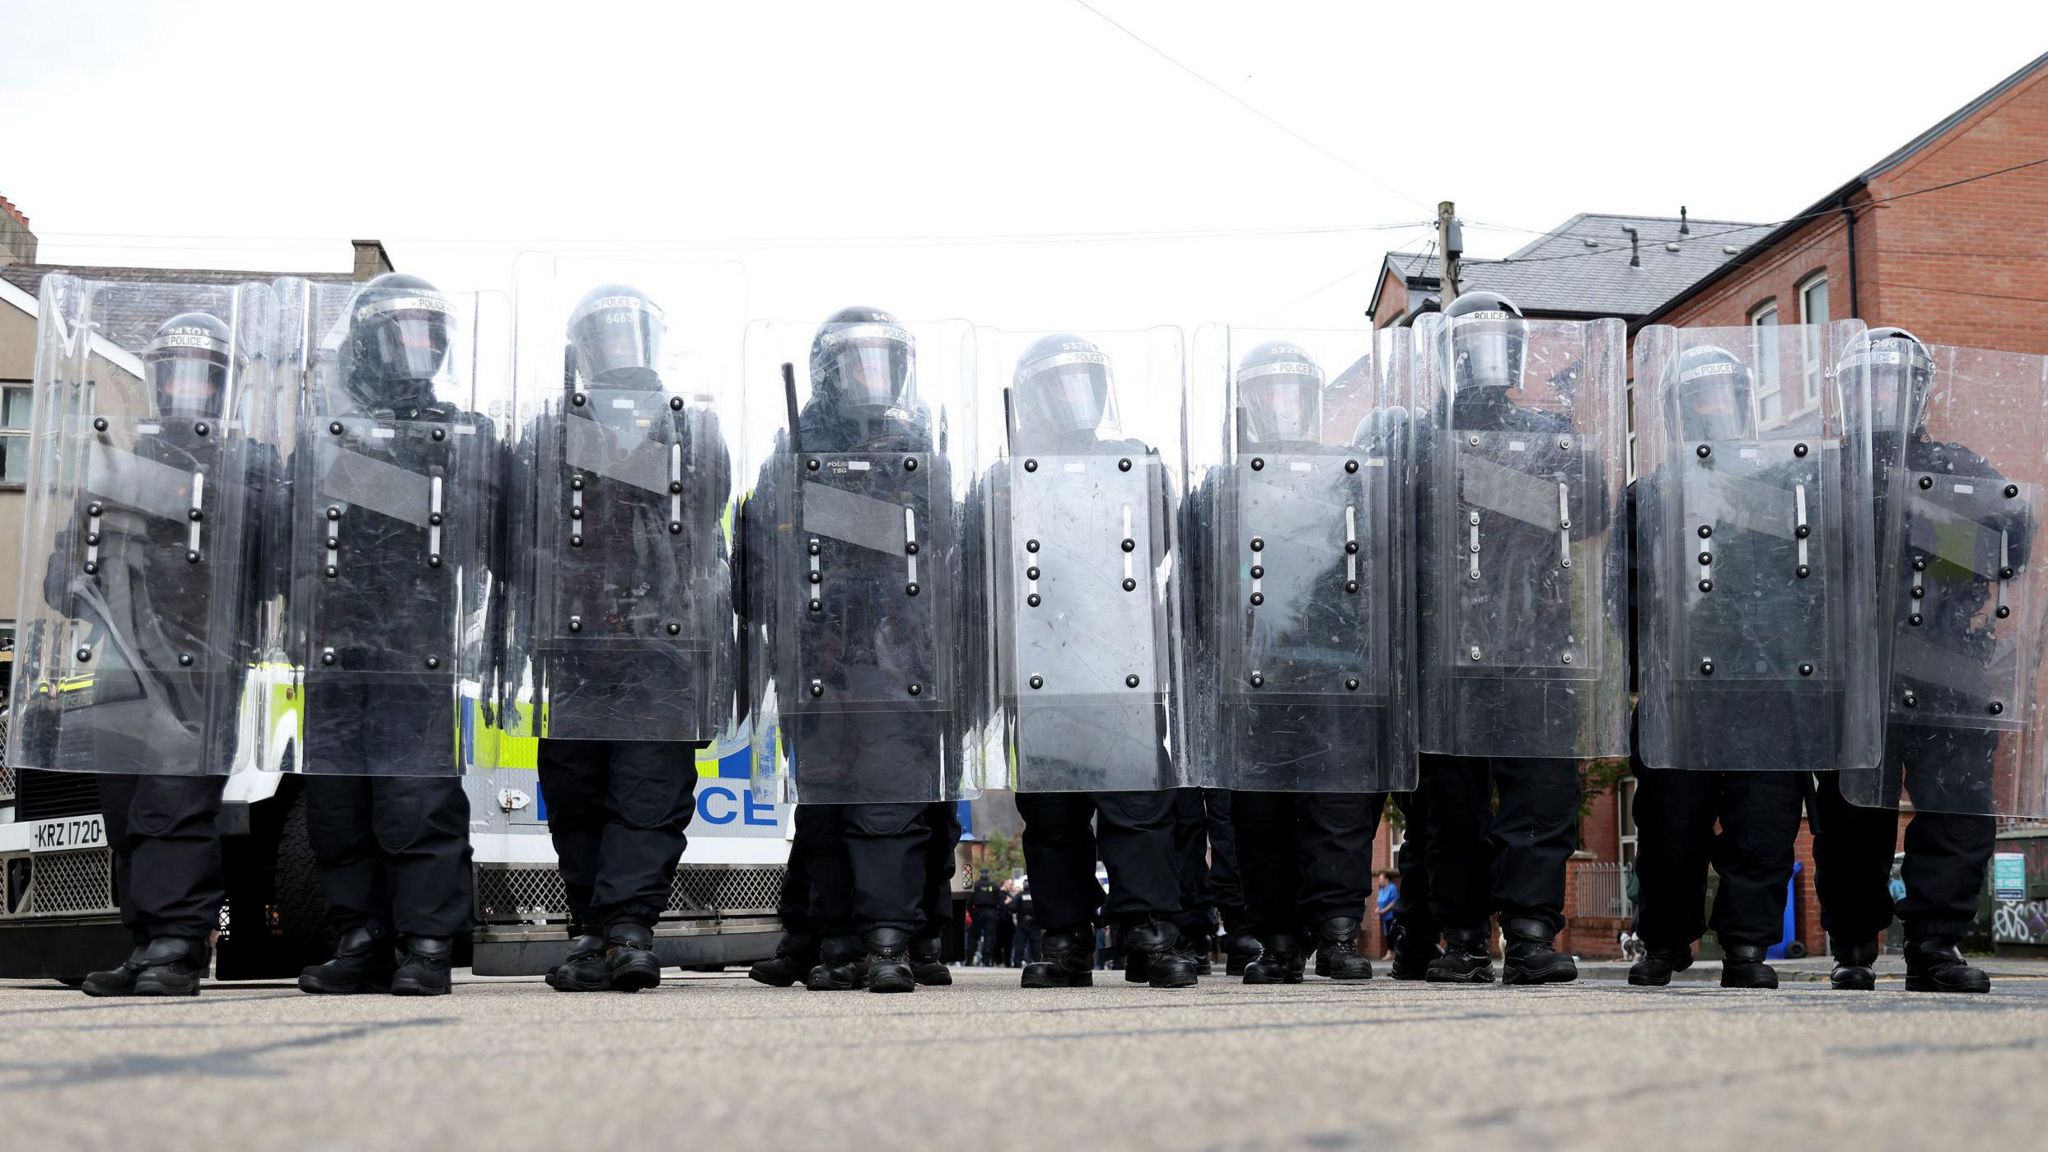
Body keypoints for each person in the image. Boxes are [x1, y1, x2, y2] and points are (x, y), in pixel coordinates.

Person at [20, 302, 276, 997]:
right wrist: (90, 573)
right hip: (119, 670)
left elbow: (272, 568)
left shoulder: (248, 471)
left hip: (201, 668)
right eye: (178, 374)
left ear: (220, 387)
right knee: (128, 811)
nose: (188, 388)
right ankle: (146, 940)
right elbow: (59, 577)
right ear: (159, 381)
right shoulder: (121, 467)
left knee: (175, 804)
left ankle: (178, 943)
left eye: (203, 376)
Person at [511, 284, 732, 993]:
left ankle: (628, 931)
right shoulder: (549, 430)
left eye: (630, 333)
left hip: (662, 650)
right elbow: (515, 536)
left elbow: (704, 521)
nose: (621, 349)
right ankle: (590, 930)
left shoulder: (690, 431)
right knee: (575, 792)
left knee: (647, 794)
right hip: (572, 648)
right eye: (605, 336)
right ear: (582, 349)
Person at [737, 307, 963, 993]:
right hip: (820, 662)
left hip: (898, 663)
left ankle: (893, 938)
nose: (876, 377)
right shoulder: (787, 459)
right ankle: (829, 939)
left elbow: (942, 550)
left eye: (887, 361)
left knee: (894, 803)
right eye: (861, 362)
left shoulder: (920, 457)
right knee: (827, 808)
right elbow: (755, 573)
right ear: (829, 374)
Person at [291, 273, 496, 997]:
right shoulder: (318, 435)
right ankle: (362, 939)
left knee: (417, 806)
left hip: (417, 652)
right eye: (401, 333)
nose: (417, 349)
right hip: (335, 649)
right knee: (338, 808)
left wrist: (370, 472)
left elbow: (479, 534)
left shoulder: (467, 435)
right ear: (367, 345)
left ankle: (426, 945)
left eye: (427, 334)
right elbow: (286, 537)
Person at [1414, 291, 1626, 985]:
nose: (1487, 353)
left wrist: (1567, 442)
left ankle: (1532, 935)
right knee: (1455, 810)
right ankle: (1466, 940)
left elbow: (1592, 508)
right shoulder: (1419, 439)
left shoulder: (1549, 434)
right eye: (1473, 341)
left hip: (1538, 645)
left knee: (1541, 800)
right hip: (1447, 652)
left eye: (1500, 338)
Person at [1811, 329, 2027, 995]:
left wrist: (1923, 521)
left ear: (1917, 393)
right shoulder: (1817, 471)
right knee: (1850, 814)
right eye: (1868, 384)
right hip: (1852, 667)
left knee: (1960, 806)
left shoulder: (1962, 466)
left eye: (1891, 384)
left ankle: (1936, 943)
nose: (1879, 396)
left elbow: (2009, 544)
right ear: (1848, 394)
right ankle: (1852, 942)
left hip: (1949, 664)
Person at [981, 334, 1199, 990]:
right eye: (1060, 385)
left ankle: (1150, 931)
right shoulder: (1006, 478)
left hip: (1121, 664)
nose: (1077, 399)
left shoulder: (1135, 463)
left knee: (1140, 808)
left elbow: (1161, 544)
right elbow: (987, 573)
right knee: (1052, 818)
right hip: (1040, 670)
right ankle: (1064, 936)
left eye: (1086, 382)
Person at [1195, 341, 1395, 984]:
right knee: (1260, 815)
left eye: (1294, 392)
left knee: (1338, 811)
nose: (1283, 406)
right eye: (1269, 393)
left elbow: (1382, 572)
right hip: (1253, 675)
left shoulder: (1352, 476)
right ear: (1250, 405)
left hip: (1340, 669)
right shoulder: (1222, 485)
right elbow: (1197, 586)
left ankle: (1338, 933)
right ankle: (1277, 939)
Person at [1626, 344, 1807, 989]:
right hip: (1680, 691)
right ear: (1677, 414)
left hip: (1769, 686)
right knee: (1671, 829)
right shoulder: (1648, 496)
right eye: (1698, 402)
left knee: (1762, 826)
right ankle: (1664, 942)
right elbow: (1618, 595)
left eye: (1723, 398)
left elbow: (1818, 585)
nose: (1713, 415)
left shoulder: (1793, 486)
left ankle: (1747, 948)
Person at [968, 868, 1002, 965]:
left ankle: (969, 959)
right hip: (991, 913)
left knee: (973, 937)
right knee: (989, 938)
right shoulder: (994, 885)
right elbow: (1001, 903)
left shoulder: (975, 886)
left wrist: (972, 914)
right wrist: (998, 915)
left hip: (978, 913)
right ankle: (986, 960)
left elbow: (969, 903)